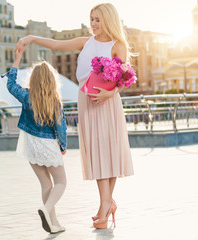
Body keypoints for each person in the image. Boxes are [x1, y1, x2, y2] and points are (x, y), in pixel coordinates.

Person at [15, 3, 134, 229]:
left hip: (107, 103)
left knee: (110, 152)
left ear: (108, 20)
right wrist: (31, 37)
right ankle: (107, 204)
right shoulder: (85, 42)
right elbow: (56, 44)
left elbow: (124, 77)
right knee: (98, 154)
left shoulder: (118, 45)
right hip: (86, 102)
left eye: (98, 19)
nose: (93, 24)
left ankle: (105, 206)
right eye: (92, 19)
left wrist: (110, 92)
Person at [5, 47, 68, 234]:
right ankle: (46, 210)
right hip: (48, 145)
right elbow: (60, 127)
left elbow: (10, 86)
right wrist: (63, 145)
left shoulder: (27, 96)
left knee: (46, 184)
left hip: (30, 144)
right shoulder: (55, 100)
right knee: (61, 182)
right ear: (52, 80)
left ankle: (53, 223)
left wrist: (16, 61)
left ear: (33, 79)